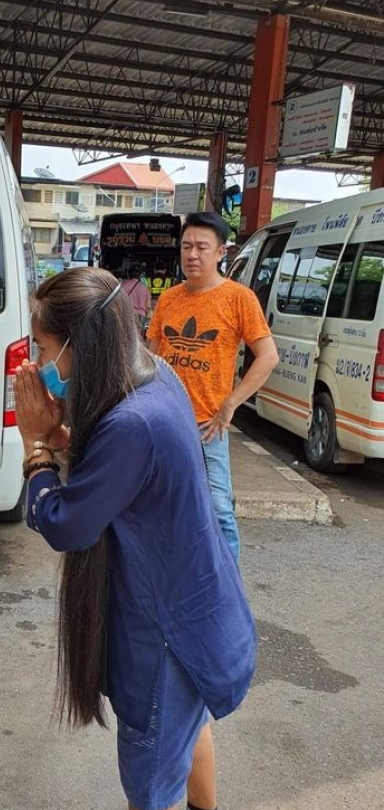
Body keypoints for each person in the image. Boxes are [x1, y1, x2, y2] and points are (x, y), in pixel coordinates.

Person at [13, 267, 257, 810]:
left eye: (44, 347)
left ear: (79, 345)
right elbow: (121, 473)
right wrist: (65, 436)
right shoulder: (155, 378)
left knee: (150, 746)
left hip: (165, 620)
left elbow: (67, 524)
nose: (40, 362)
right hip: (198, 602)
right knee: (187, 713)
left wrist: (36, 447)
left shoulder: (130, 423)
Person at [146, 212, 278, 561]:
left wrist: (230, 404)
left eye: (202, 247)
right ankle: (177, 576)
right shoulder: (168, 299)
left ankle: (226, 582)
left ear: (221, 252)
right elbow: (150, 358)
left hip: (208, 426)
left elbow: (268, 357)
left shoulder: (238, 298)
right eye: (186, 246)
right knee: (164, 504)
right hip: (166, 422)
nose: (192, 254)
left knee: (219, 511)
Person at [121, 264, 151, 331]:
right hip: (140, 316)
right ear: (140, 275)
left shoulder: (123, 285)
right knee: (138, 336)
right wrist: (144, 314)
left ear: (128, 274)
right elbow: (148, 306)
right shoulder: (144, 288)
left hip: (126, 315)